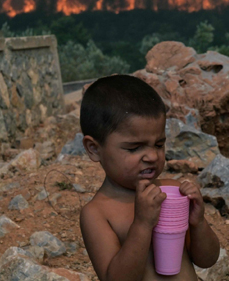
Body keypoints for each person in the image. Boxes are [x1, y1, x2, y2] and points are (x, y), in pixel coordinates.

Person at [79, 74, 220, 281]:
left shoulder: (172, 193)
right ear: (94, 149)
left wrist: (198, 223)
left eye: (159, 144)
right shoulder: (97, 214)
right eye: (135, 148)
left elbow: (207, 260)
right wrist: (143, 224)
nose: (153, 156)